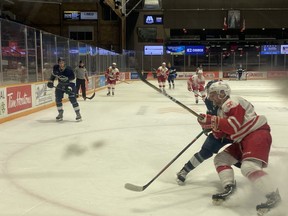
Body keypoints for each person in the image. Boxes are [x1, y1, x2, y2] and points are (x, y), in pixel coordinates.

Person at [197, 81, 281, 215]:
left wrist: (213, 120)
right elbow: (223, 134)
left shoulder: (232, 102)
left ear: (222, 93)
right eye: (210, 95)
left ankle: (273, 194)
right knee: (221, 159)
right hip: (243, 139)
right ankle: (229, 186)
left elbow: (233, 126)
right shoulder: (221, 110)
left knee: (248, 167)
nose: (211, 98)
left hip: (256, 133)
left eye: (214, 95)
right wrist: (211, 126)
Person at [176, 80, 233, 185]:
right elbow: (210, 113)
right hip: (218, 134)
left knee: (240, 155)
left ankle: (257, 177)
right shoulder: (209, 101)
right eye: (211, 93)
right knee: (205, 152)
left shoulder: (232, 103)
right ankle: (184, 170)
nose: (212, 96)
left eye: (215, 93)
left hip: (234, 134)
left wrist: (212, 121)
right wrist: (205, 125)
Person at [47, 57, 82, 121]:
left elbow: (73, 79)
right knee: (58, 98)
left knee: (72, 99)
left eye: (62, 63)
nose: (61, 64)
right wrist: (50, 82)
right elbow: (53, 76)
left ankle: (78, 113)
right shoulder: (56, 68)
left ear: (64, 63)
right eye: (60, 63)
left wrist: (70, 88)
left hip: (70, 84)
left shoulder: (69, 69)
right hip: (61, 84)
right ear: (58, 63)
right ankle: (60, 113)